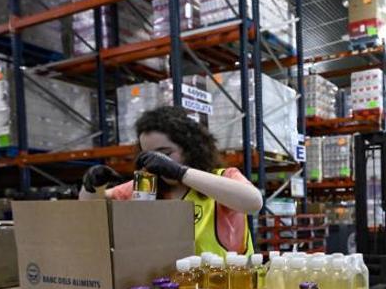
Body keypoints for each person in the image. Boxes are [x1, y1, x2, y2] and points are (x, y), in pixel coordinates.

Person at [79, 106, 263, 256]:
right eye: (149, 156)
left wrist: (181, 173)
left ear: (191, 148)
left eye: (166, 154)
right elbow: (91, 210)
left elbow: (253, 202)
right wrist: (92, 186)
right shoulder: (146, 186)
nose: (157, 163)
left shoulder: (223, 178)